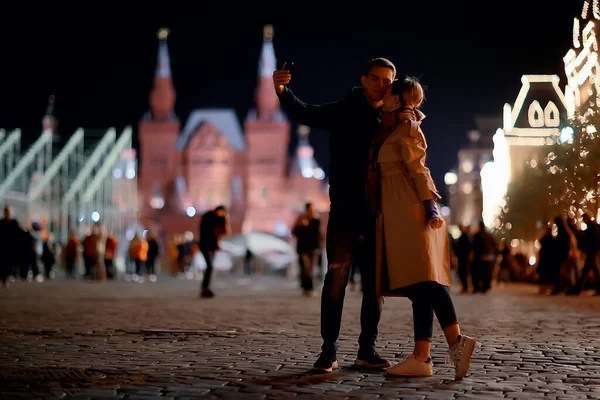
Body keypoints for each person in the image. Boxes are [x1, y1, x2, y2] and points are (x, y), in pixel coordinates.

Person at [273, 57, 400, 372]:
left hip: (377, 212)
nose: (381, 84)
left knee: (373, 285)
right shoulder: (344, 110)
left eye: (387, 80)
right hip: (344, 208)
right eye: (376, 78)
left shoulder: (393, 117)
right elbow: (304, 112)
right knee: (336, 277)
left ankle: (366, 350)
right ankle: (328, 351)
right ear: (364, 79)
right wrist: (281, 90)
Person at [365, 76, 476, 380]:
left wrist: (430, 206)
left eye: (389, 93)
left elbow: (419, 168)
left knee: (426, 281)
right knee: (418, 286)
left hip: (411, 210)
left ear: (399, 99)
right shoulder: (396, 126)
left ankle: (456, 343)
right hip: (399, 210)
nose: (384, 96)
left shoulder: (408, 128)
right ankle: (421, 357)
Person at [198, 205, 230, 298]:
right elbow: (206, 232)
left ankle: (206, 287)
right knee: (209, 266)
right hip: (205, 245)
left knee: (210, 267)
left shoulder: (220, 219)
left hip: (212, 246)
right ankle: (205, 288)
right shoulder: (208, 217)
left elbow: (223, 232)